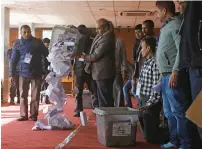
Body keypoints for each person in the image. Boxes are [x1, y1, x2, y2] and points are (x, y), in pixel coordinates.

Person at [155, 1, 192, 149]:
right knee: (169, 112)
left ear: (164, 11)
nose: (157, 15)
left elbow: (181, 51)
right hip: (165, 76)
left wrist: (175, 71)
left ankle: (185, 144)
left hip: (172, 74)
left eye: (157, 12)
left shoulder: (176, 24)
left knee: (178, 112)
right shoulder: (166, 26)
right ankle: (174, 140)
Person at [10, 25, 49, 121]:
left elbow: (46, 54)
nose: (27, 34)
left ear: (31, 31)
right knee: (23, 94)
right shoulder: (17, 43)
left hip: (36, 72)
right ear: (21, 33)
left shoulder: (38, 42)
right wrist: (12, 73)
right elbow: (13, 60)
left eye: (28, 32)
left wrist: (46, 69)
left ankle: (34, 115)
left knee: (35, 95)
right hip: (23, 72)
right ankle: (23, 115)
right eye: (24, 32)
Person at [179, 0, 202, 142]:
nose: (178, 5)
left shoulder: (195, 7)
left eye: (180, 2)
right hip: (192, 67)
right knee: (196, 115)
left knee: (199, 115)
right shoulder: (189, 13)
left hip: (198, 67)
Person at [82, 18, 116, 107]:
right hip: (101, 73)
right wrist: (76, 29)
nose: (97, 31)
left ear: (105, 27)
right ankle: (105, 118)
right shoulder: (103, 34)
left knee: (104, 100)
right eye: (96, 28)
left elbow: (95, 56)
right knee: (103, 98)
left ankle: (106, 119)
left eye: (99, 28)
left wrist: (83, 56)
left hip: (103, 74)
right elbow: (91, 32)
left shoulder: (107, 39)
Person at [137, 36, 162, 141]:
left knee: (151, 138)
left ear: (148, 48)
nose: (140, 50)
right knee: (141, 119)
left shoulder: (155, 63)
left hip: (150, 100)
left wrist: (149, 104)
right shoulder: (147, 61)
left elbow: (156, 87)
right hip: (143, 97)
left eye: (142, 47)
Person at [72, 24, 98, 117]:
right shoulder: (76, 41)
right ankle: (78, 110)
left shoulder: (92, 40)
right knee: (78, 91)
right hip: (79, 69)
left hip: (89, 69)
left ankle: (95, 108)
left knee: (93, 90)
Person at [123, 24, 144, 108]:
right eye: (135, 33)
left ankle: (141, 105)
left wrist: (135, 76)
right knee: (126, 89)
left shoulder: (145, 42)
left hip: (140, 73)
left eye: (139, 32)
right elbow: (135, 60)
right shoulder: (136, 42)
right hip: (136, 72)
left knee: (135, 91)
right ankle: (129, 105)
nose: (137, 34)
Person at [113, 38, 127, 107]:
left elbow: (123, 57)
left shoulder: (119, 42)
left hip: (117, 71)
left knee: (119, 90)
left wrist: (124, 69)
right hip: (104, 72)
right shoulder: (102, 41)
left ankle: (119, 109)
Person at [8, 40, 20, 104]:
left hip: (21, 71)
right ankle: (12, 99)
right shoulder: (10, 51)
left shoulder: (21, 51)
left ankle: (19, 99)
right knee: (13, 85)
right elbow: (10, 61)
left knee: (20, 86)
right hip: (14, 71)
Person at [40, 38, 51, 104]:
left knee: (47, 85)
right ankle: (42, 98)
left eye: (48, 44)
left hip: (47, 70)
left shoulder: (48, 51)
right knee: (42, 86)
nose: (47, 46)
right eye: (46, 44)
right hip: (41, 71)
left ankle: (46, 99)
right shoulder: (40, 51)